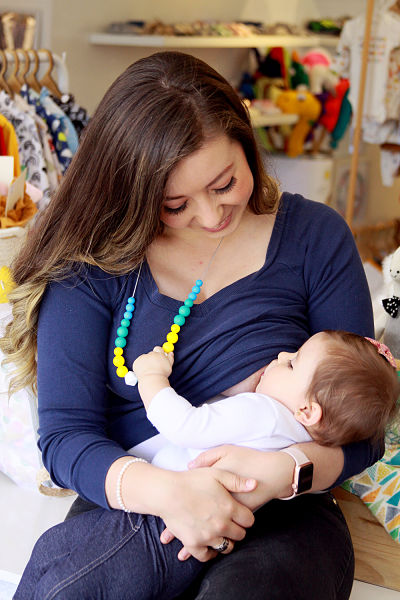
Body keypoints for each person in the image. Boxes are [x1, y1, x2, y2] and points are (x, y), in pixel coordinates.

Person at [0, 50, 381, 599]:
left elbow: (363, 429)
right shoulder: (93, 264)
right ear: (131, 190)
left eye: (225, 183)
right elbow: (66, 439)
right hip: (141, 506)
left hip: (283, 511)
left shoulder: (314, 238)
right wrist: (171, 495)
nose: (210, 216)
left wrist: (286, 471)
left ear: (245, 142)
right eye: (175, 204)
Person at [132, 332, 399, 473]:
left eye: (293, 364)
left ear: (306, 411)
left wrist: (151, 377)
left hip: (168, 493)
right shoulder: (299, 440)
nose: (283, 355)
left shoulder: (264, 414)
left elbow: (185, 426)